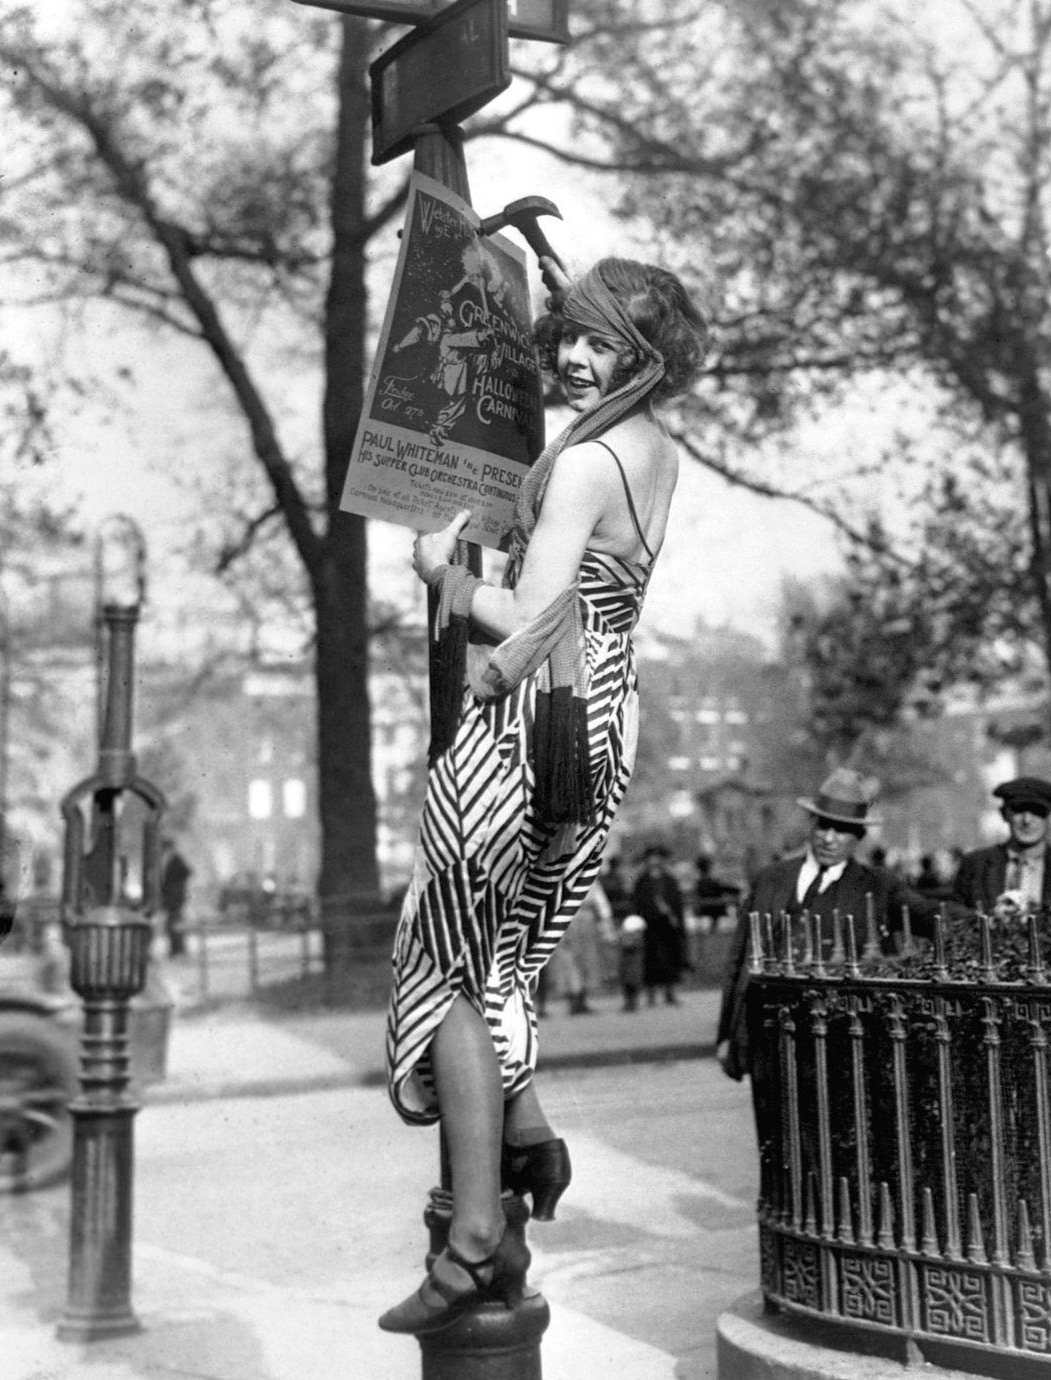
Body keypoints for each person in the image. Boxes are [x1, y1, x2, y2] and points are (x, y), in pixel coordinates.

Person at [379, 255, 710, 1335]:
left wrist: (444, 573)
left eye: (600, 343)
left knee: (454, 962)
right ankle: (529, 1133)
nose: (572, 356)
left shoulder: (582, 466)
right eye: (568, 334)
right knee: (511, 948)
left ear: (645, 357)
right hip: (607, 709)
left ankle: (475, 1235)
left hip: (536, 712)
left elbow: (527, 612)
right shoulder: (652, 451)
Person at [716, 768, 944, 1085]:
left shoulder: (877, 886)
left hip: (843, 1040)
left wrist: (997, 919)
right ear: (812, 824)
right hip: (770, 1035)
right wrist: (726, 1034)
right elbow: (737, 959)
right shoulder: (771, 879)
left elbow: (930, 914)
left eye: (842, 830)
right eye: (824, 825)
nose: (829, 838)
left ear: (859, 837)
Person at [951, 776, 1051, 918]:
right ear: (1004, 814)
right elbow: (958, 922)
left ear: (1048, 817)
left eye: (1037, 811)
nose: (1027, 820)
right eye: (1019, 810)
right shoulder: (975, 865)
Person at [630, 844, 688, 1005]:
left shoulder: (670, 880)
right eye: (651, 857)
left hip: (667, 925)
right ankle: (651, 994)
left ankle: (670, 992)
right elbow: (637, 903)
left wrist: (676, 920)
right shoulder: (642, 881)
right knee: (651, 960)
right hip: (649, 925)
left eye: (658, 857)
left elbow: (677, 903)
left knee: (669, 958)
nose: (655, 861)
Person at [546, 877, 614, 1015]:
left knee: (587, 960)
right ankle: (573, 999)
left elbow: (600, 900)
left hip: (585, 917)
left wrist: (606, 921)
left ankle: (581, 999)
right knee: (567, 961)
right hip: (564, 918)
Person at [691, 853, 741, 933]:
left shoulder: (699, 883)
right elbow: (727, 889)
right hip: (714, 909)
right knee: (735, 895)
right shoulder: (710, 883)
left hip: (706, 909)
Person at [160, 838, 192, 958]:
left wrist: (176, 888)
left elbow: (186, 872)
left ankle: (177, 949)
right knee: (173, 924)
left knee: (174, 924)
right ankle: (177, 948)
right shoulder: (171, 859)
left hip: (175, 899)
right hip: (173, 899)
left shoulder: (175, 859)